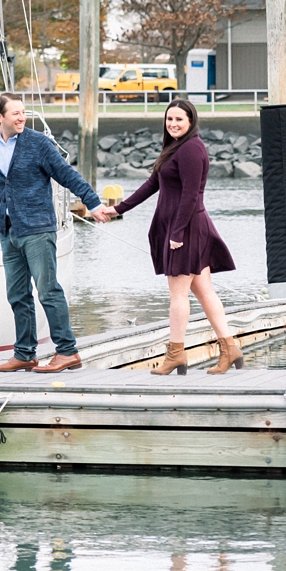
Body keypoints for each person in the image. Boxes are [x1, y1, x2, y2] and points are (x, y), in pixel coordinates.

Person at [92, 98, 242, 375]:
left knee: (178, 295)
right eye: (169, 119)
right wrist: (118, 209)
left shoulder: (191, 149)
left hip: (186, 228)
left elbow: (190, 194)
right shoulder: (175, 148)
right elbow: (153, 184)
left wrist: (177, 233)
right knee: (204, 292)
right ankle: (230, 348)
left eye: (179, 120)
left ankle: (175, 353)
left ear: (190, 122)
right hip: (184, 226)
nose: (173, 124)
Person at [0, 92, 102, 373]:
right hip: (8, 232)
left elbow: (67, 175)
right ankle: (24, 353)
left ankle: (67, 351)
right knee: (17, 295)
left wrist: (92, 203)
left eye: (24, 112)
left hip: (38, 229)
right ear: (0, 117)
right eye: (15, 113)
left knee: (48, 291)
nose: (22, 117)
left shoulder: (38, 144)